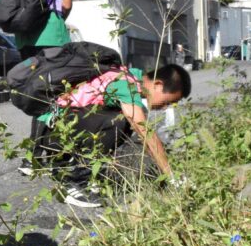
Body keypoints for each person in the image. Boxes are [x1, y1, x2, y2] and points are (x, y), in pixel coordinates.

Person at [34, 63, 191, 208]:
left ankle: (74, 165)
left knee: (123, 120)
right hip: (53, 131)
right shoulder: (126, 83)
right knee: (120, 121)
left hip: (61, 126)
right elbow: (146, 133)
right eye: (169, 101)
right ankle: (75, 179)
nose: (165, 107)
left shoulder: (131, 74)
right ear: (158, 85)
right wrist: (171, 176)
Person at [15, 0, 83, 176]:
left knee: (37, 93)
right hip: (51, 36)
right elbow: (65, 3)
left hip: (24, 35)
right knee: (53, 94)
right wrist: (58, 22)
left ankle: (37, 155)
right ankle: (37, 157)